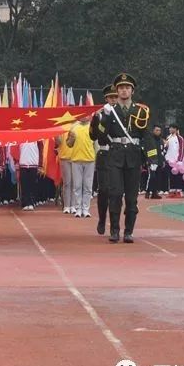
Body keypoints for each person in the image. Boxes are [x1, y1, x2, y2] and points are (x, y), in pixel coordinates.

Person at [98, 73, 157, 244]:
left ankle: (129, 231)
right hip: (114, 156)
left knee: (131, 198)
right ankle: (115, 230)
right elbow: (101, 137)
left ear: (132, 91)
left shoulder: (140, 111)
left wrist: (153, 158)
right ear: (117, 91)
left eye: (127, 88)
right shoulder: (111, 111)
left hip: (133, 156)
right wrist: (103, 119)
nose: (124, 91)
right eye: (121, 88)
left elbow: (147, 136)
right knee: (115, 194)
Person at [90, 85, 117, 234]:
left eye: (115, 97)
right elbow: (92, 136)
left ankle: (115, 224)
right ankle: (102, 219)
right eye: (111, 97)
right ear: (106, 98)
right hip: (105, 154)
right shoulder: (100, 114)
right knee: (104, 190)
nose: (114, 100)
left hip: (118, 155)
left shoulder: (122, 113)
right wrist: (95, 123)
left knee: (116, 191)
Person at [66, 114, 96, 218]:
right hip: (76, 160)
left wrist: (96, 159)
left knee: (88, 186)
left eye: (86, 115)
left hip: (90, 160)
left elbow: (95, 144)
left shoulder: (92, 127)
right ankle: (78, 208)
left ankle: (86, 209)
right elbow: (68, 144)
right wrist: (71, 139)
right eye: (82, 115)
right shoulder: (74, 127)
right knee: (77, 186)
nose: (84, 117)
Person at [164, 124, 184, 197]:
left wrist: (179, 160)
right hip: (169, 160)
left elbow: (182, 149)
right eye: (169, 128)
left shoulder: (180, 138)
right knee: (171, 176)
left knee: (177, 176)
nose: (170, 129)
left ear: (176, 129)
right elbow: (166, 148)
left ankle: (178, 191)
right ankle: (172, 191)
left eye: (171, 128)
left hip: (177, 161)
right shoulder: (168, 137)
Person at [18, 141, 41, 211]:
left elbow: (41, 149)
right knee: (24, 184)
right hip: (23, 163)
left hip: (33, 163)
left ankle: (31, 202)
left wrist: (40, 164)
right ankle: (25, 203)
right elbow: (16, 150)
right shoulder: (21, 137)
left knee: (32, 184)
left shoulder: (37, 138)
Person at [146, 125, 165, 199]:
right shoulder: (150, 139)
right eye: (157, 130)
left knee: (158, 178)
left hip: (159, 161)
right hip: (152, 161)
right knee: (152, 177)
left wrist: (163, 160)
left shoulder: (161, 140)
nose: (158, 132)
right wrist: (149, 160)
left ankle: (154, 193)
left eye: (159, 130)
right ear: (153, 130)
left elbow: (162, 151)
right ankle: (148, 191)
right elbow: (147, 150)